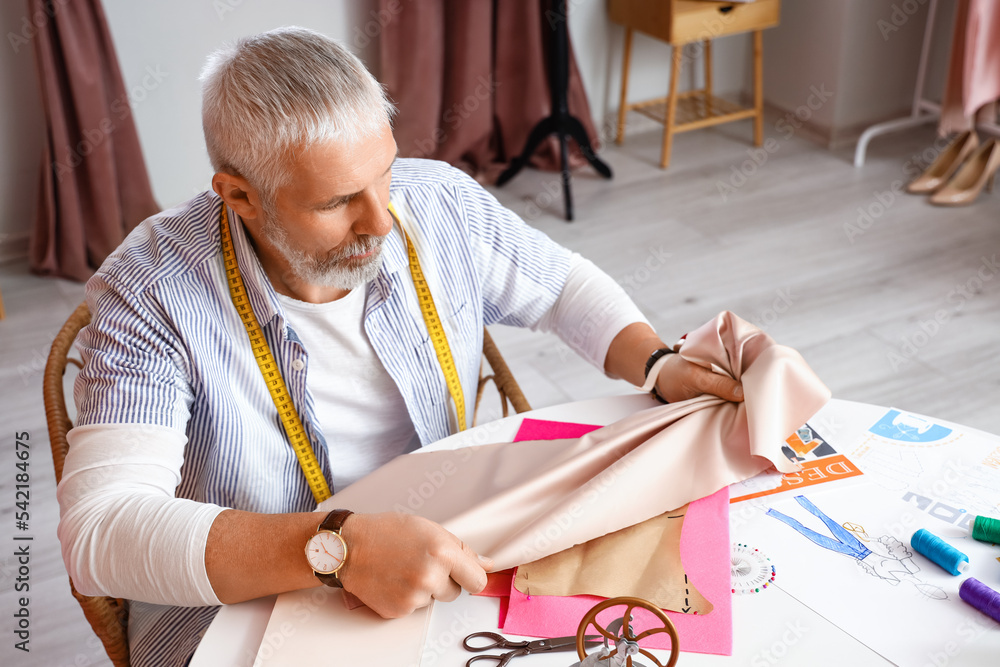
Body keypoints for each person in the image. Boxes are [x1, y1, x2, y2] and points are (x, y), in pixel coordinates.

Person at [57, 27, 743, 666]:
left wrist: (657, 360)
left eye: (383, 170)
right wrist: (336, 546)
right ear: (240, 196)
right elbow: (101, 533)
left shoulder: (436, 201)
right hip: (251, 600)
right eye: (336, 202)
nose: (383, 219)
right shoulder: (151, 292)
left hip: (443, 547)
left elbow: (561, 285)